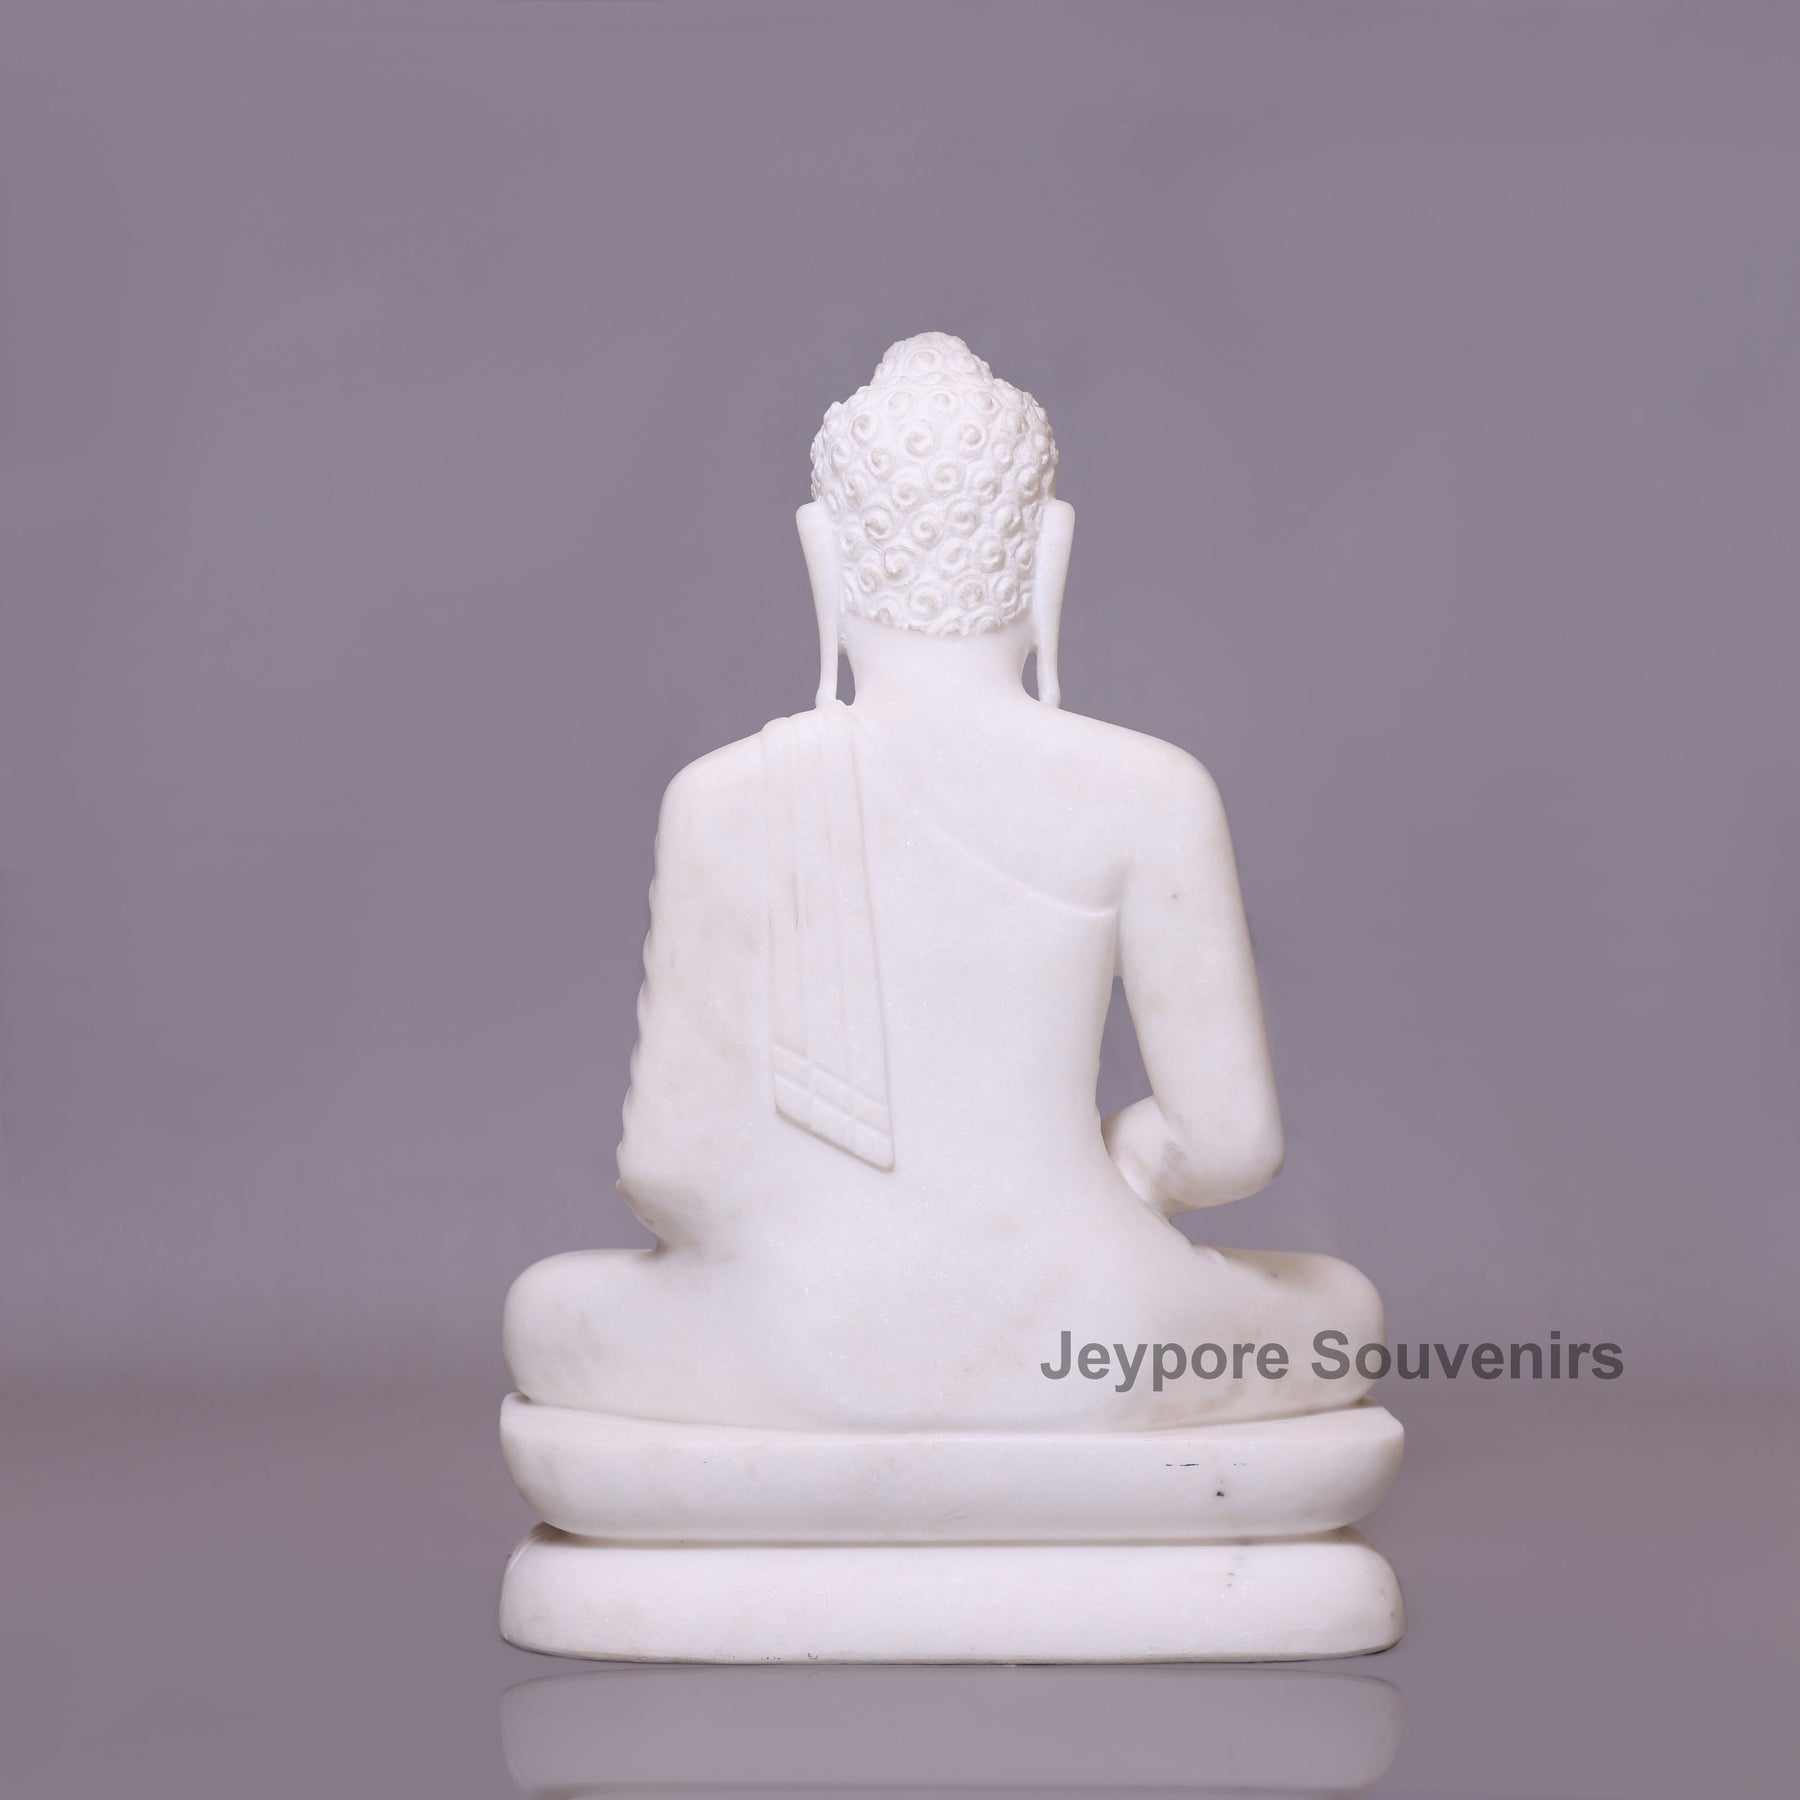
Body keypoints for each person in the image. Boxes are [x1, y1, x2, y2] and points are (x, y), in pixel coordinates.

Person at [504, 334, 1383, 1431]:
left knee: (550, 1310)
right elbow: (1231, 1145)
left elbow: (667, 1173)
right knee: (1342, 1312)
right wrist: (1118, 1166)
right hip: (1094, 1330)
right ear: (1050, 555)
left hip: (792, 1337)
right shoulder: (1152, 790)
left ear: (823, 558)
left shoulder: (721, 798)